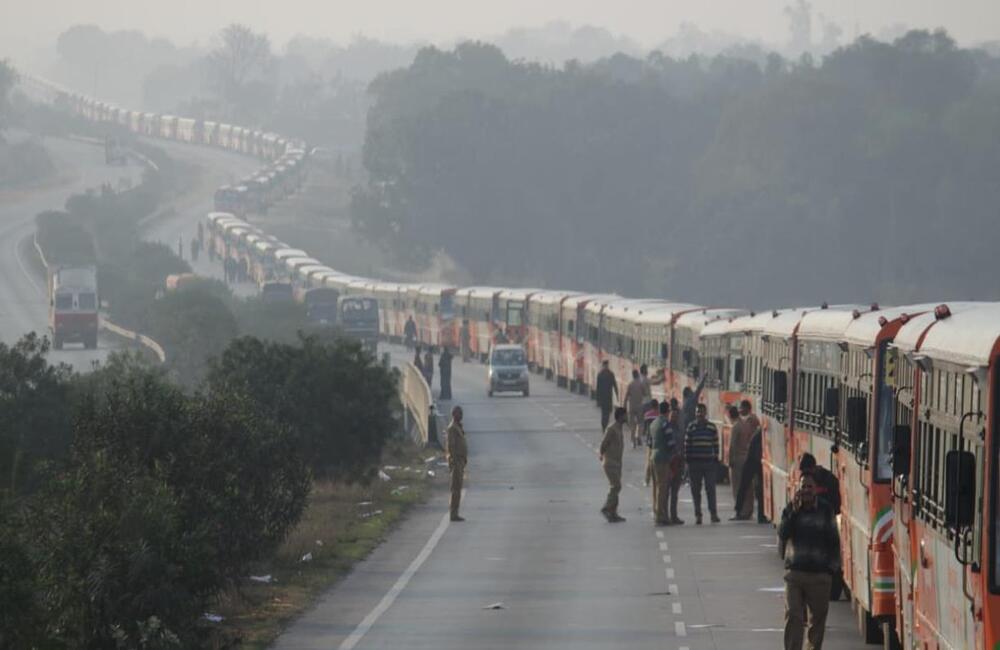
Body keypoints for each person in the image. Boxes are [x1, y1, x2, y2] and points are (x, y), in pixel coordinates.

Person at [779, 473, 840, 650]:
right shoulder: (791, 509)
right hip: (795, 574)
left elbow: (834, 542)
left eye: (809, 487)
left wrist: (831, 569)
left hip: (819, 576)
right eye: (803, 486)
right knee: (794, 616)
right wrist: (794, 512)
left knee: (817, 622)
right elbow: (783, 534)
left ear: (815, 490)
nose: (806, 490)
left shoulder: (825, 510)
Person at [686, 403, 720, 525]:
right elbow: (687, 445)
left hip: (709, 463)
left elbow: (716, 445)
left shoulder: (712, 427)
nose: (699, 414)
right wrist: (688, 460)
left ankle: (713, 514)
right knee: (696, 491)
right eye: (697, 412)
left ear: (705, 413)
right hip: (694, 464)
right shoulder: (691, 427)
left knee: (710, 489)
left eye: (701, 412)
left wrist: (716, 458)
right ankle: (698, 515)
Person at [733, 400, 766, 522]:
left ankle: (759, 514)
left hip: (754, 459)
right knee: (749, 487)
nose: (741, 410)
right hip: (753, 459)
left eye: (742, 408)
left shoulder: (753, 421)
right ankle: (756, 514)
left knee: (754, 488)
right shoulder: (754, 423)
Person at [599, 407, 628, 523]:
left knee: (616, 487)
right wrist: (601, 454)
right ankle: (607, 507)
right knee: (616, 486)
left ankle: (613, 513)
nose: (626, 417)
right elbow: (604, 443)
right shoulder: (612, 429)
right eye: (625, 415)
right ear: (620, 416)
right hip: (610, 462)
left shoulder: (620, 428)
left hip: (617, 463)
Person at [651, 401, 675, 526]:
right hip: (663, 458)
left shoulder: (654, 423)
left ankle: (656, 512)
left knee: (656, 487)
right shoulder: (666, 424)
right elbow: (671, 443)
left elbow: (649, 442)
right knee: (663, 488)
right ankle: (661, 516)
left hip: (653, 457)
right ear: (668, 411)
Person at [664, 403, 686, 525]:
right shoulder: (666, 428)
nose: (674, 418)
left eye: (676, 416)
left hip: (678, 463)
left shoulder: (680, 430)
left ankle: (674, 515)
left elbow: (682, 446)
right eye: (672, 415)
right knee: (666, 492)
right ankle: (665, 515)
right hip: (668, 464)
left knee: (675, 493)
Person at [445, 405, 468, 522]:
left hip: (461, 461)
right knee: (455, 489)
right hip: (456, 462)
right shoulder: (452, 428)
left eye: (461, 413)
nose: (461, 415)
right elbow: (451, 446)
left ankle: (456, 513)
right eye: (459, 413)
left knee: (458, 488)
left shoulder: (458, 427)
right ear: (454, 415)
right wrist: (453, 462)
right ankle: (453, 514)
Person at [727, 405, 752, 503]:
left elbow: (732, 445)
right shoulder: (745, 424)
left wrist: (730, 460)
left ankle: (739, 509)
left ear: (730, 415)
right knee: (747, 486)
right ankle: (747, 509)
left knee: (737, 485)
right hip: (747, 457)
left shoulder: (735, 426)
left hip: (737, 459)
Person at [595, 360, 619, 431]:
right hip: (608, 397)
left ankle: (604, 426)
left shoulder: (600, 374)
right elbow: (614, 385)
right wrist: (617, 394)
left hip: (604, 398)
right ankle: (604, 426)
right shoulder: (610, 374)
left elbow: (598, 388)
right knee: (607, 413)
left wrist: (598, 399)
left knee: (605, 413)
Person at [625, 370, 646, 448]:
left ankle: (632, 440)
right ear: (638, 375)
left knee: (632, 424)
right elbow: (645, 393)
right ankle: (639, 436)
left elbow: (626, 396)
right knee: (640, 423)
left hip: (632, 406)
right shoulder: (641, 384)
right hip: (639, 406)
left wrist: (624, 405)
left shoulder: (630, 384)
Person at [642, 399, 659, 487]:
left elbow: (644, 429)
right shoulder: (660, 415)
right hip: (659, 440)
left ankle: (647, 480)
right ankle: (657, 478)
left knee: (649, 461)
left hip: (650, 440)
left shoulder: (647, 415)